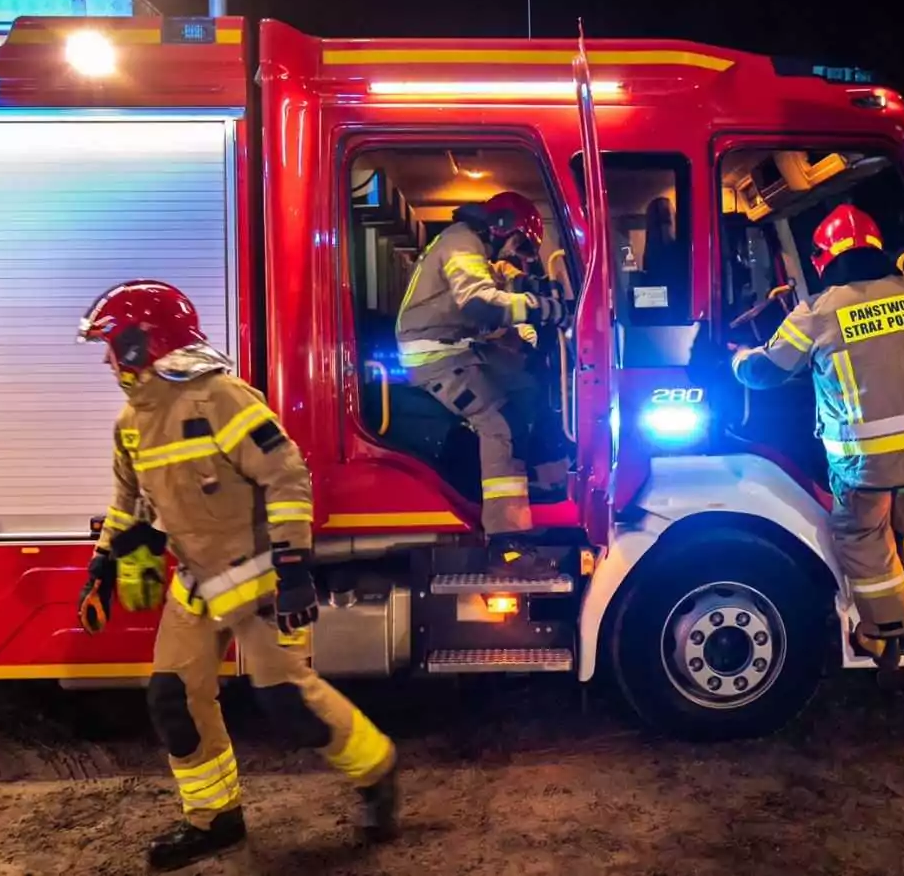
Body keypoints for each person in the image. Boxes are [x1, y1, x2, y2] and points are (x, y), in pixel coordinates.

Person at [76, 280, 399, 871]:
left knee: (288, 705)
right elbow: (130, 503)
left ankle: (377, 771)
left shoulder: (221, 398)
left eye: (111, 342)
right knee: (174, 698)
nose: (105, 357)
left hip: (258, 582)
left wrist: (295, 564)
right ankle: (214, 819)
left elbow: (286, 476)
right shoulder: (131, 421)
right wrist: (104, 560)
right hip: (194, 586)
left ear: (140, 344)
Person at [730, 205, 904, 676]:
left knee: (859, 530)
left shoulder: (817, 312)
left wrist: (737, 357)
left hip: (872, 460)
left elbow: (765, 373)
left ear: (822, 259)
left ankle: (885, 629)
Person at [394, 191, 569, 577]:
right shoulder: (462, 242)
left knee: (527, 384)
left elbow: (501, 288)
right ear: (501, 225)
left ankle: (545, 479)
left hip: (457, 348)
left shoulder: (473, 247)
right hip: (436, 359)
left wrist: (542, 296)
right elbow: (480, 303)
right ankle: (506, 544)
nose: (515, 252)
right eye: (519, 242)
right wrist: (546, 310)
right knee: (498, 422)